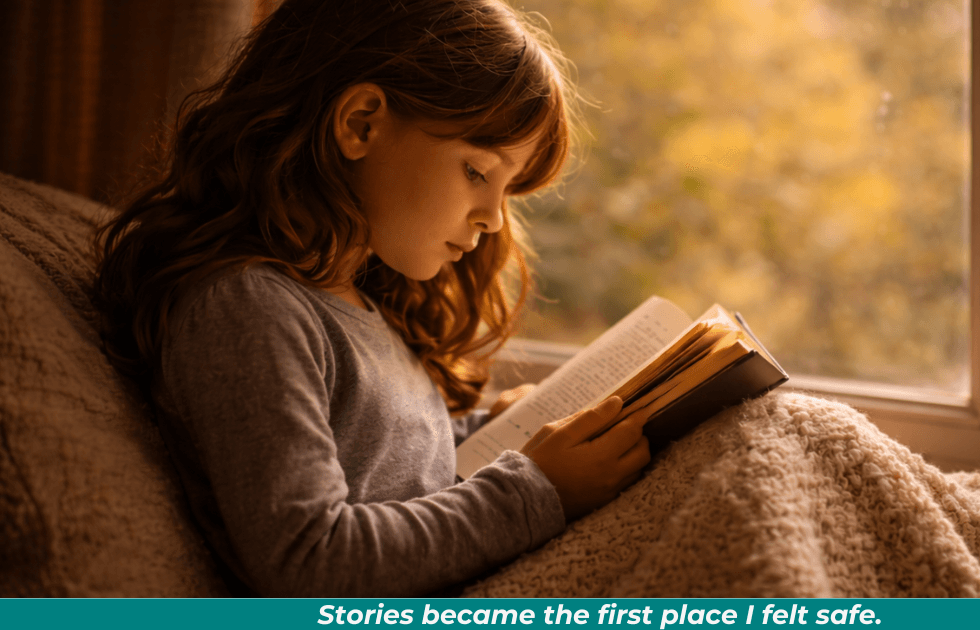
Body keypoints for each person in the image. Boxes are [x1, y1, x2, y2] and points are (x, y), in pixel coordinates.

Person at [92, 0, 652, 597]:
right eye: (477, 172)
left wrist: (486, 430)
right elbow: (310, 557)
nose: (494, 218)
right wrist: (537, 489)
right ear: (361, 123)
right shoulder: (247, 308)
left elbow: (382, 462)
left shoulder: (360, 306)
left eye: (508, 188)